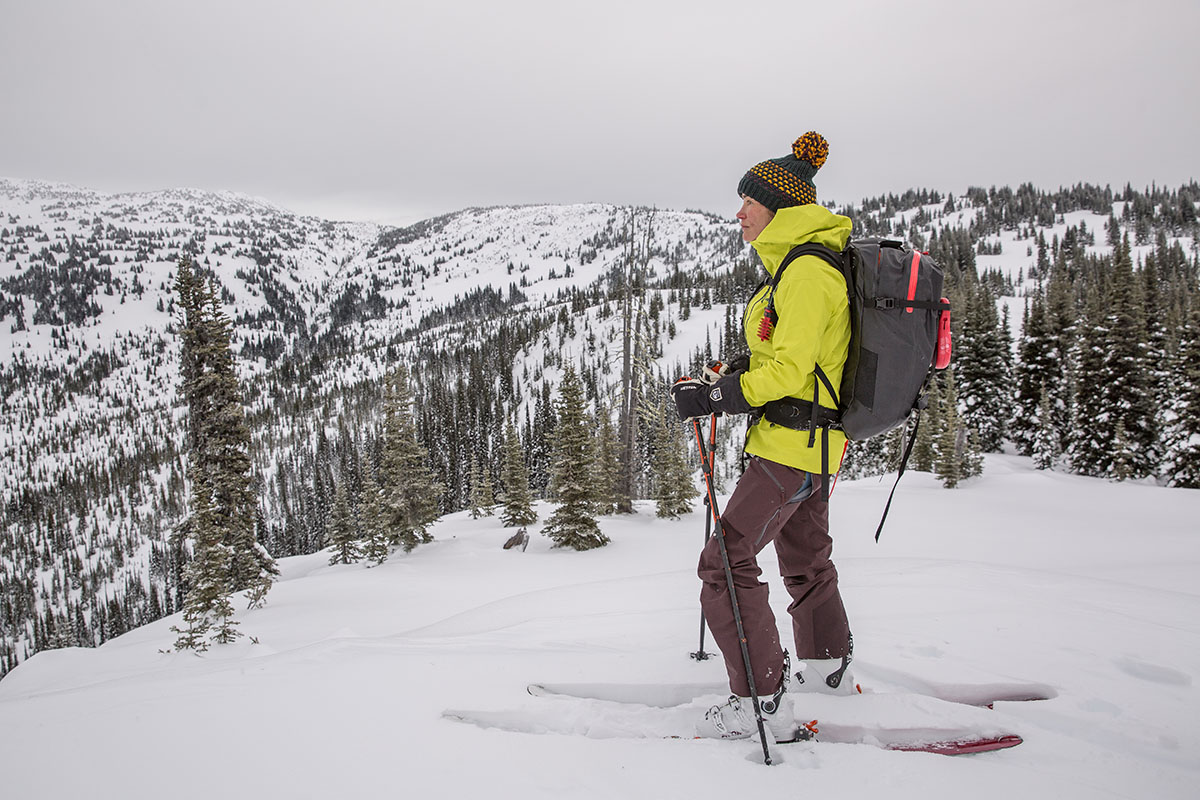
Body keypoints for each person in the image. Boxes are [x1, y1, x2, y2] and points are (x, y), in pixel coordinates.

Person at [671, 132, 857, 741]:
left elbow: (792, 371)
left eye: (746, 201)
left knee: (724, 561)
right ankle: (826, 668)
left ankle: (761, 701)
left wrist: (716, 396)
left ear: (776, 207)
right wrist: (731, 373)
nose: (738, 213)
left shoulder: (805, 270)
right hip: (813, 448)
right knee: (804, 557)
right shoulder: (799, 265)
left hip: (790, 447)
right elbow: (787, 356)